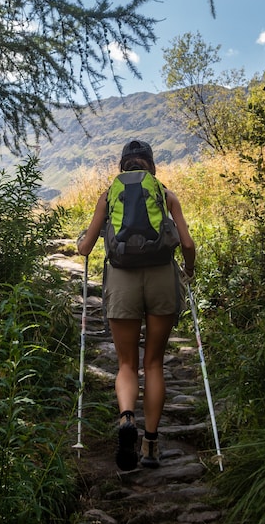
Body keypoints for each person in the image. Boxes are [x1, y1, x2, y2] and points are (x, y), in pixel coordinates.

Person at [77, 140, 197, 470]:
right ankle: (151, 445)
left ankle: (127, 418)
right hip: (162, 279)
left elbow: (86, 248)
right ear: (151, 166)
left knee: (127, 364)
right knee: (154, 363)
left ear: (122, 166)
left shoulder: (108, 195)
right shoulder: (166, 195)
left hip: (122, 280)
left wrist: (79, 242)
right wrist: (188, 270)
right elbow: (187, 243)